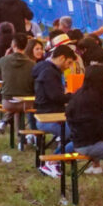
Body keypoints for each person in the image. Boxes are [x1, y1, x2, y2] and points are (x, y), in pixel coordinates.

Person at [33, 45, 77, 176]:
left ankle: (54, 161)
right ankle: (53, 162)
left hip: (48, 115)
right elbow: (56, 97)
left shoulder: (44, 69)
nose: (68, 67)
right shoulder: (50, 73)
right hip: (50, 117)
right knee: (80, 135)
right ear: (62, 58)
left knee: (77, 133)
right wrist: (74, 96)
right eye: (69, 63)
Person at [66, 64, 103, 169]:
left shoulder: (82, 94)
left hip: (81, 142)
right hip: (90, 145)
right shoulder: (92, 100)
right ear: (99, 78)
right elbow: (96, 126)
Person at [0, 33, 35, 134]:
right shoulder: (32, 64)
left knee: (15, 104)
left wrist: (5, 57)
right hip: (27, 103)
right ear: (26, 46)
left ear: (13, 45)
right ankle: (22, 137)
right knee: (19, 104)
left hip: (8, 102)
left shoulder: (4, 60)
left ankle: (5, 123)